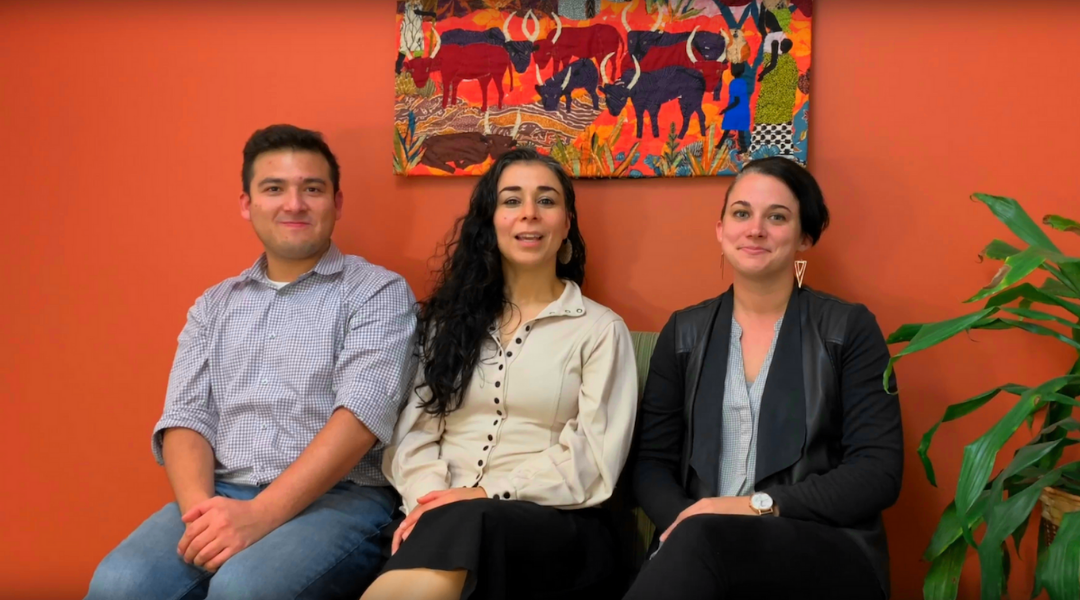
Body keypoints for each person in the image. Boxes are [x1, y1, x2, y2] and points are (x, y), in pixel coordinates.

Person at [85, 124, 418, 600]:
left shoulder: (377, 293)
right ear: (247, 204)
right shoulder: (214, 304)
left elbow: (360, 418)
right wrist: (204, 516)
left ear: (336, 203)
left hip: (341, 501)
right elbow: (186, 417)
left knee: (244, 590)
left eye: (313, 189)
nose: (294, 204)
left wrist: (260, 516)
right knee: (118, 584)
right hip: (222, 492)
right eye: (274, 188)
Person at [364, 148, 638, 600]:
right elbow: (413, 437)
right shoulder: (446, 325)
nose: (529, 214)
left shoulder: (599, 330)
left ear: (566, 224)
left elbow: (592, 459)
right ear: (490, 221)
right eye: (512, 201)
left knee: (474, 518)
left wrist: (484, 493)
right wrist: (431, 503)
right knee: (462, 524)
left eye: (546, 201)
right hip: (443, 521)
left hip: (556, 528)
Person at [625, 157, 903, 600]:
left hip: (823, 547)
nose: (755, 229)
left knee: (703, 540)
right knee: (700, 542)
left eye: (777, 217)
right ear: (720, 230)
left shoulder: (848, 329)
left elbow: (877, 473)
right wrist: (690, 519)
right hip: (700, 545)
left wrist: (747, 508)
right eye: (741, 213)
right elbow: (651, 464)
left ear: (804, 237)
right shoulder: (683, 333)